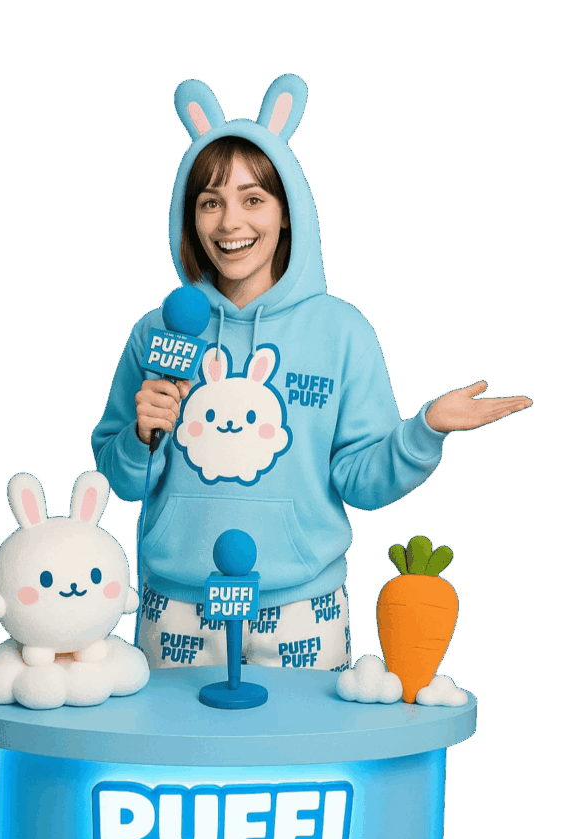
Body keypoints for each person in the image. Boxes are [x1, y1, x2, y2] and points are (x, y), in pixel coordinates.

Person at [91, 74, 532, 672]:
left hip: (304, 610)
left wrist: (425, 430)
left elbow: (361, 481)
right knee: (175, 740)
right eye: (211, 202)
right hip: (175, 607)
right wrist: (141, 438)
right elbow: (117, 476)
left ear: (288, 212)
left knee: (303, 739)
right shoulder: (157, 330)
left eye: (253, 199)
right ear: (188, 217)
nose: (230, 223)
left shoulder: (341, 331)